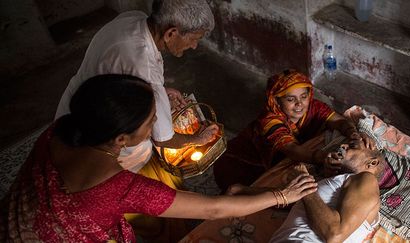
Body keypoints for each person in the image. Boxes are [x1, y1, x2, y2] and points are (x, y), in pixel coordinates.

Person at [0, 74, 318, 242]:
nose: (157, 123)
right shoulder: (118, 186)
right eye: (152, 119)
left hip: (13, 224)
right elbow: (214, 208)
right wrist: (281, 194)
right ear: (122, 139)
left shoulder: (62, 129)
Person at [55, 0, 219, 189]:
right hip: (99, 143)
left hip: (79, 109)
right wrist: (197, 139)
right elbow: (164, 139)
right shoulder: (143, 67)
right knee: (143, 191)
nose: (194, 46)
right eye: (194, 38)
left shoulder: (133, 19)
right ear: (171, 33)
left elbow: (121, 75)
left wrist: (162, 93)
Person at [214, 69, 374, 191]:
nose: (299, 104)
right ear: (276, 100)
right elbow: (292, 150)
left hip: (294, 154)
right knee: (256, 192)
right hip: (245, 162)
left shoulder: (314, 107)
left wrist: (353, 133)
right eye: (290, 99)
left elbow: (339, 121)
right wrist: (322, 156)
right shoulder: (269, 121)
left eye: (304, 97)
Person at [270, 139, 385, 243]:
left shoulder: (367, 179)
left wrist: (304, 182)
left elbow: (334, 235)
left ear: (373, 163)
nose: (343, 146)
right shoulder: (336, 183)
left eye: (353, 146)